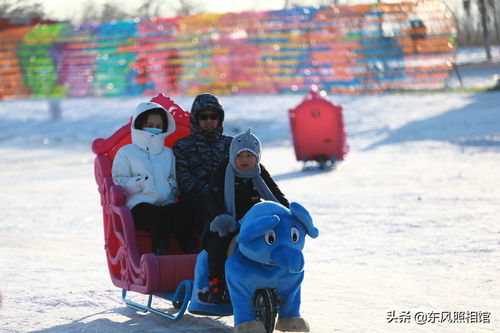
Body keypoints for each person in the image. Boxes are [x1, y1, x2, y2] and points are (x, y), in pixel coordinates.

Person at [200, 129, 289, 304]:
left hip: (253, 221)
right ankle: (216, 285)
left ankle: (275, 282)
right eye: (241, 156)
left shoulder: (259, 172)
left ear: (257, 157)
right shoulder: (225, 170)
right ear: (233, 156)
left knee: (275, 241)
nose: (245, 160)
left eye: (250, 155)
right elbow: (213, 195)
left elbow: (275, 193)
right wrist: (221, 216)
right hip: (227, 220)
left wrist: (287, 212)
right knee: (218, 242)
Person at [112, 101, 196, 255]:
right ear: (139, 125)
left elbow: (174, 179)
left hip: (166, 202)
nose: (154, 129)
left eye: (158, 126)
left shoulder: (167, 154)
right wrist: (140, 183)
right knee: (160, 216)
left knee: (181, 212)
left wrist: (170, 186)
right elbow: (119, 181)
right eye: (149, 124)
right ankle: (159, 256)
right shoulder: (126, 153)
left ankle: (192, 255)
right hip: (139, 205)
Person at [173, 93, 233, 234]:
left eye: (213, 116)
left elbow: (237, 170)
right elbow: (183, 177)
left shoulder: (229, 144)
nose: (209, 121)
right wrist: (210, 190)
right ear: (196, 118)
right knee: (207, 204)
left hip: (227, 194)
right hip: (196, 198)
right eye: (203, 117)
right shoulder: (183, 145)